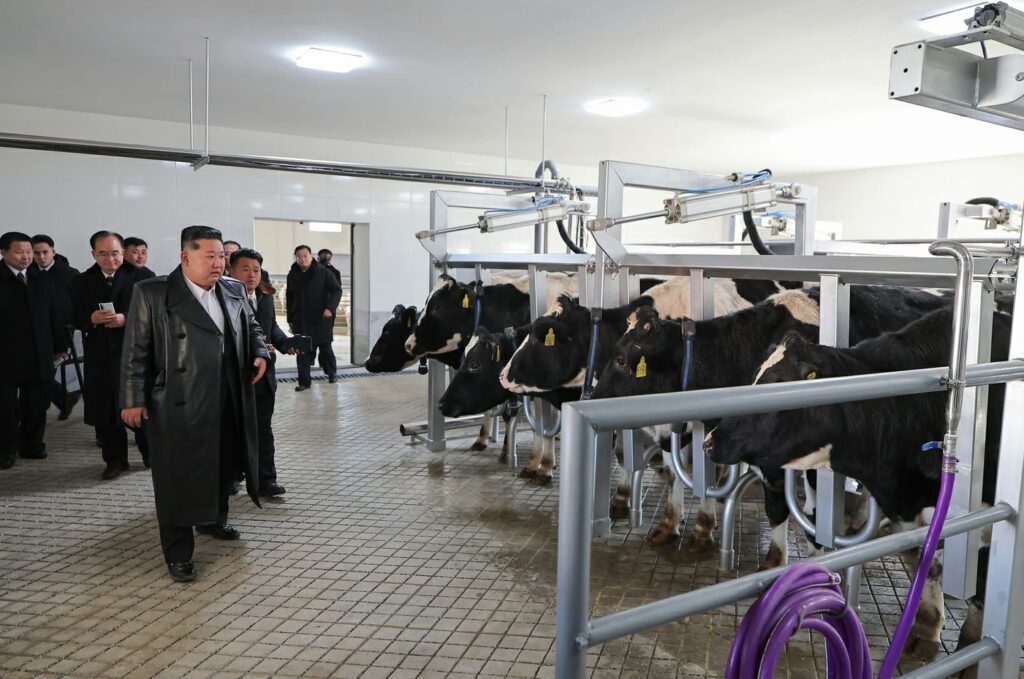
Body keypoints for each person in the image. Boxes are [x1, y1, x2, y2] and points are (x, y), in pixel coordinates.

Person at [120, 225, 268, 583]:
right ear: (185, 257)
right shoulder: (153, 293)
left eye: (221, 257)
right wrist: (132, 399)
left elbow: (252, 327)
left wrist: (260, 352)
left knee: (222, 464)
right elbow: (135, 350)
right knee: (177, 479)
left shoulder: (232, 289)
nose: (218, 264)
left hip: (227, 394)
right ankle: (178, 553)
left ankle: (212, 520)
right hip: (177, 400)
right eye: (210, 256)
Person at [72, 231, 150, 479]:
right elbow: (69, 314)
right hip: (100, 356)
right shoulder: (81, 281)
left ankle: (151, 454)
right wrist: (90, 319)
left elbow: (157, 313)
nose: (110, 259)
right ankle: (115, 461)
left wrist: (126, 318)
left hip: (134, 354)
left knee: (141, 407)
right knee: (106, 412)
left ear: (123, 252)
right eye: (103, 254)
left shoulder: (142, 277)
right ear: (93, 254)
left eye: (115, 253)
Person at [228, 248, 294, 497]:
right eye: (245, 269)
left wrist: (284, 343)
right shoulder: (223, 298)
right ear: (231, 271)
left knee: (263, 430)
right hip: (235, 376)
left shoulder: (264, 296)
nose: (252, 274)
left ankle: (266, 481)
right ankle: (232, 476)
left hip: (264, 377)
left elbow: (271, 327)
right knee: (233, 430)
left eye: (256, 269)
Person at [0, 232, 67, 470]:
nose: (27, 257)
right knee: (6, 406)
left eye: (29, 252)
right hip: (5, 355)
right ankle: (6, 449)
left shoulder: (41, 278)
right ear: (3, 253)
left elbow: (53, 314)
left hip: (39, 352)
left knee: (37, 404)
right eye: (20, 252)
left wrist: (60, 346)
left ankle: (32, 444)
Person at [30, 234, 81, 419]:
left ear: (54, 252)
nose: (41, 257)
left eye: (45, 252)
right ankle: (61, 400)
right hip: (35, 333)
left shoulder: (70, 274)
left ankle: (60, 401)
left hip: (63, 332)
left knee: (48, 373)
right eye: (36, 253)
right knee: (39, 373)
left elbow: (78, 303)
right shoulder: (27, 273)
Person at [287, 245, 341, 390]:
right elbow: (289, 298)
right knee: (302, 351)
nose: (302, 259)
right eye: (298, 257)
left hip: (320, 318)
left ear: (311, 256)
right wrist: (290, 319)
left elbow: (337, 290)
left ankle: (332, 373)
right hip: (301, 319)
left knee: (325, 348)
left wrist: (330, 308)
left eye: (305, 256)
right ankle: (304, 382)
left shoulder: (323, 272)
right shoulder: (292, 275)